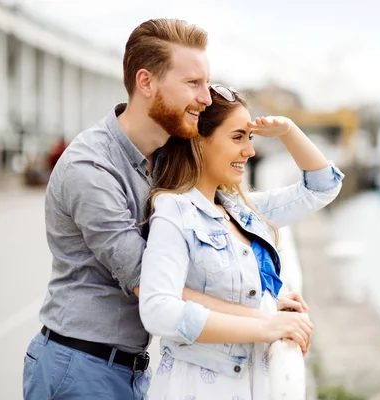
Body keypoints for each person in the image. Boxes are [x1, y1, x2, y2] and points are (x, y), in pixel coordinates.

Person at [23, 19, 309, 400]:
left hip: (132, 368)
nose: (206, 98)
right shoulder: (89, 170)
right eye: (193, 84)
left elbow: (214, 236)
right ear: (146, 82)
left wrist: (261, 294)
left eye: (206, 83)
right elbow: (155, 285)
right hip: (80, 368)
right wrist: (262, 314)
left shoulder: (165, 159)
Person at [139, 85, 344, 399]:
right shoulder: (174, 211)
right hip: (200, 387)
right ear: (198, 141)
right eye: (238, 137)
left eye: (250, 138)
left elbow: (322, 187)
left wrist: (288, 130)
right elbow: (158, 310)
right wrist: (265, 324)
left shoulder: (242, 209)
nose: (250, 151)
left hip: (249, 383)